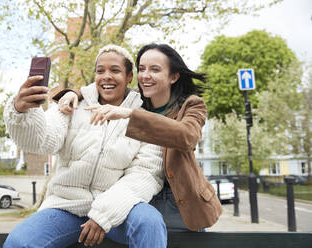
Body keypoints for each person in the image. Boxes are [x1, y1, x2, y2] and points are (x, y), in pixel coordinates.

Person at [3, 44, 166, 248]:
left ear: (129, 77)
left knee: (149, 222)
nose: (106, 76)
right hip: (66, 206)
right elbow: (40, 142)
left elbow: (145, 174)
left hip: (120, 210)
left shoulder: (143, 118)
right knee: (19, 242)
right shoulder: (72, 104)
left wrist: (103, 215)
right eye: (100, 71)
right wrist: (22, 111)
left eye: (115, 70)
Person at [56, 43, 222, 232]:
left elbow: (187, 136)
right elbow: (102, 90)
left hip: (181, 202)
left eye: (155, 69)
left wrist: (129, 114)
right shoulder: (136, 101)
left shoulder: (191, 105)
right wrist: (72, 93)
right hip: (141, 198)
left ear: (173, 76)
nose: (145, 75)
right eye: (142, 69)